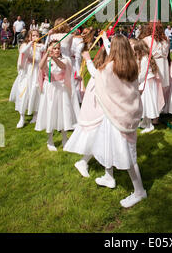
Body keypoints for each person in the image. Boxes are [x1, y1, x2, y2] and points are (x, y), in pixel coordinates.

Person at [91, 34, 147, 208]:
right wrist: (107, 42)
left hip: (118, 116)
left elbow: (96, 75)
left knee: (128, 155)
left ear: (114, 50)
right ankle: (109, 176)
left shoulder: (109, 69)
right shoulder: (132, 66)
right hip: (124, 114)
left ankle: (140, 191)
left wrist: (86, 58)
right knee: (107, 143)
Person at [64, 46, 108, 178]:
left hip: (100, 105)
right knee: (97, 134)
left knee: (102, 136)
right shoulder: (101, 71)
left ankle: (104, 166)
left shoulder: (105, 70)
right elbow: (95, 74)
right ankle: (84, 162)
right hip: (97, 106)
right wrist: (88, 60)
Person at [35, 41, 77, 151]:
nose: (57, 50)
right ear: (49, 49)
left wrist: (54, 58)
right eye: (54, 48)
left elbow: (63, 67)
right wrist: (46, 56)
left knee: (63, 112)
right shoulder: (46, 60)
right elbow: (40, 66)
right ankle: (50, 140)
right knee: (50, 112)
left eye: (58, 48)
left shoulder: (65, 60)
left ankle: (64, 138)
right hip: (50, 89)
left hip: (61, 89)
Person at [46, 18, 80, 119]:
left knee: (57, 87)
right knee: (70, 88)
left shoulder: (52, 36)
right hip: (66, 61)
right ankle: (72, 114)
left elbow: (48, 47)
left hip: (55, 61)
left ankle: (57, 113)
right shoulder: (69, 36)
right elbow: (69, 50)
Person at [11, 30, 46, 128]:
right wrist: (30, 44)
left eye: (37, 35)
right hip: (26, 73)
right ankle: (21, 117)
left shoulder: (40, 46)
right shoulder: (25, 45)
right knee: (23, 92)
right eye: (33, 35)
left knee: (35, 93)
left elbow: (45, 49)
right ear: (29, 36)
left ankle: (35, 114)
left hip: (36, 73)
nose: (35, 37)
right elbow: (22, 51)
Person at [131, 39, 164, 133]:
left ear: (140, 50)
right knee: (143, 102)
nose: (135, 53)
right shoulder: (144, 57)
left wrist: (136, 82)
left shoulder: (145, 59)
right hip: (147, 82)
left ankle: (149, 124)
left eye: (136, 51)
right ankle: (145, 121)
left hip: (147, 83)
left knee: (147, 103)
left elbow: (143, 74)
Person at [141, 22, 170, 105]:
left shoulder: (146, 40)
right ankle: (160, 107)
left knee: (154, 87)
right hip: (164, 64)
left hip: (153, 65)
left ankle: (154, 107)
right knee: (162, 86)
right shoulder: (166, 39)